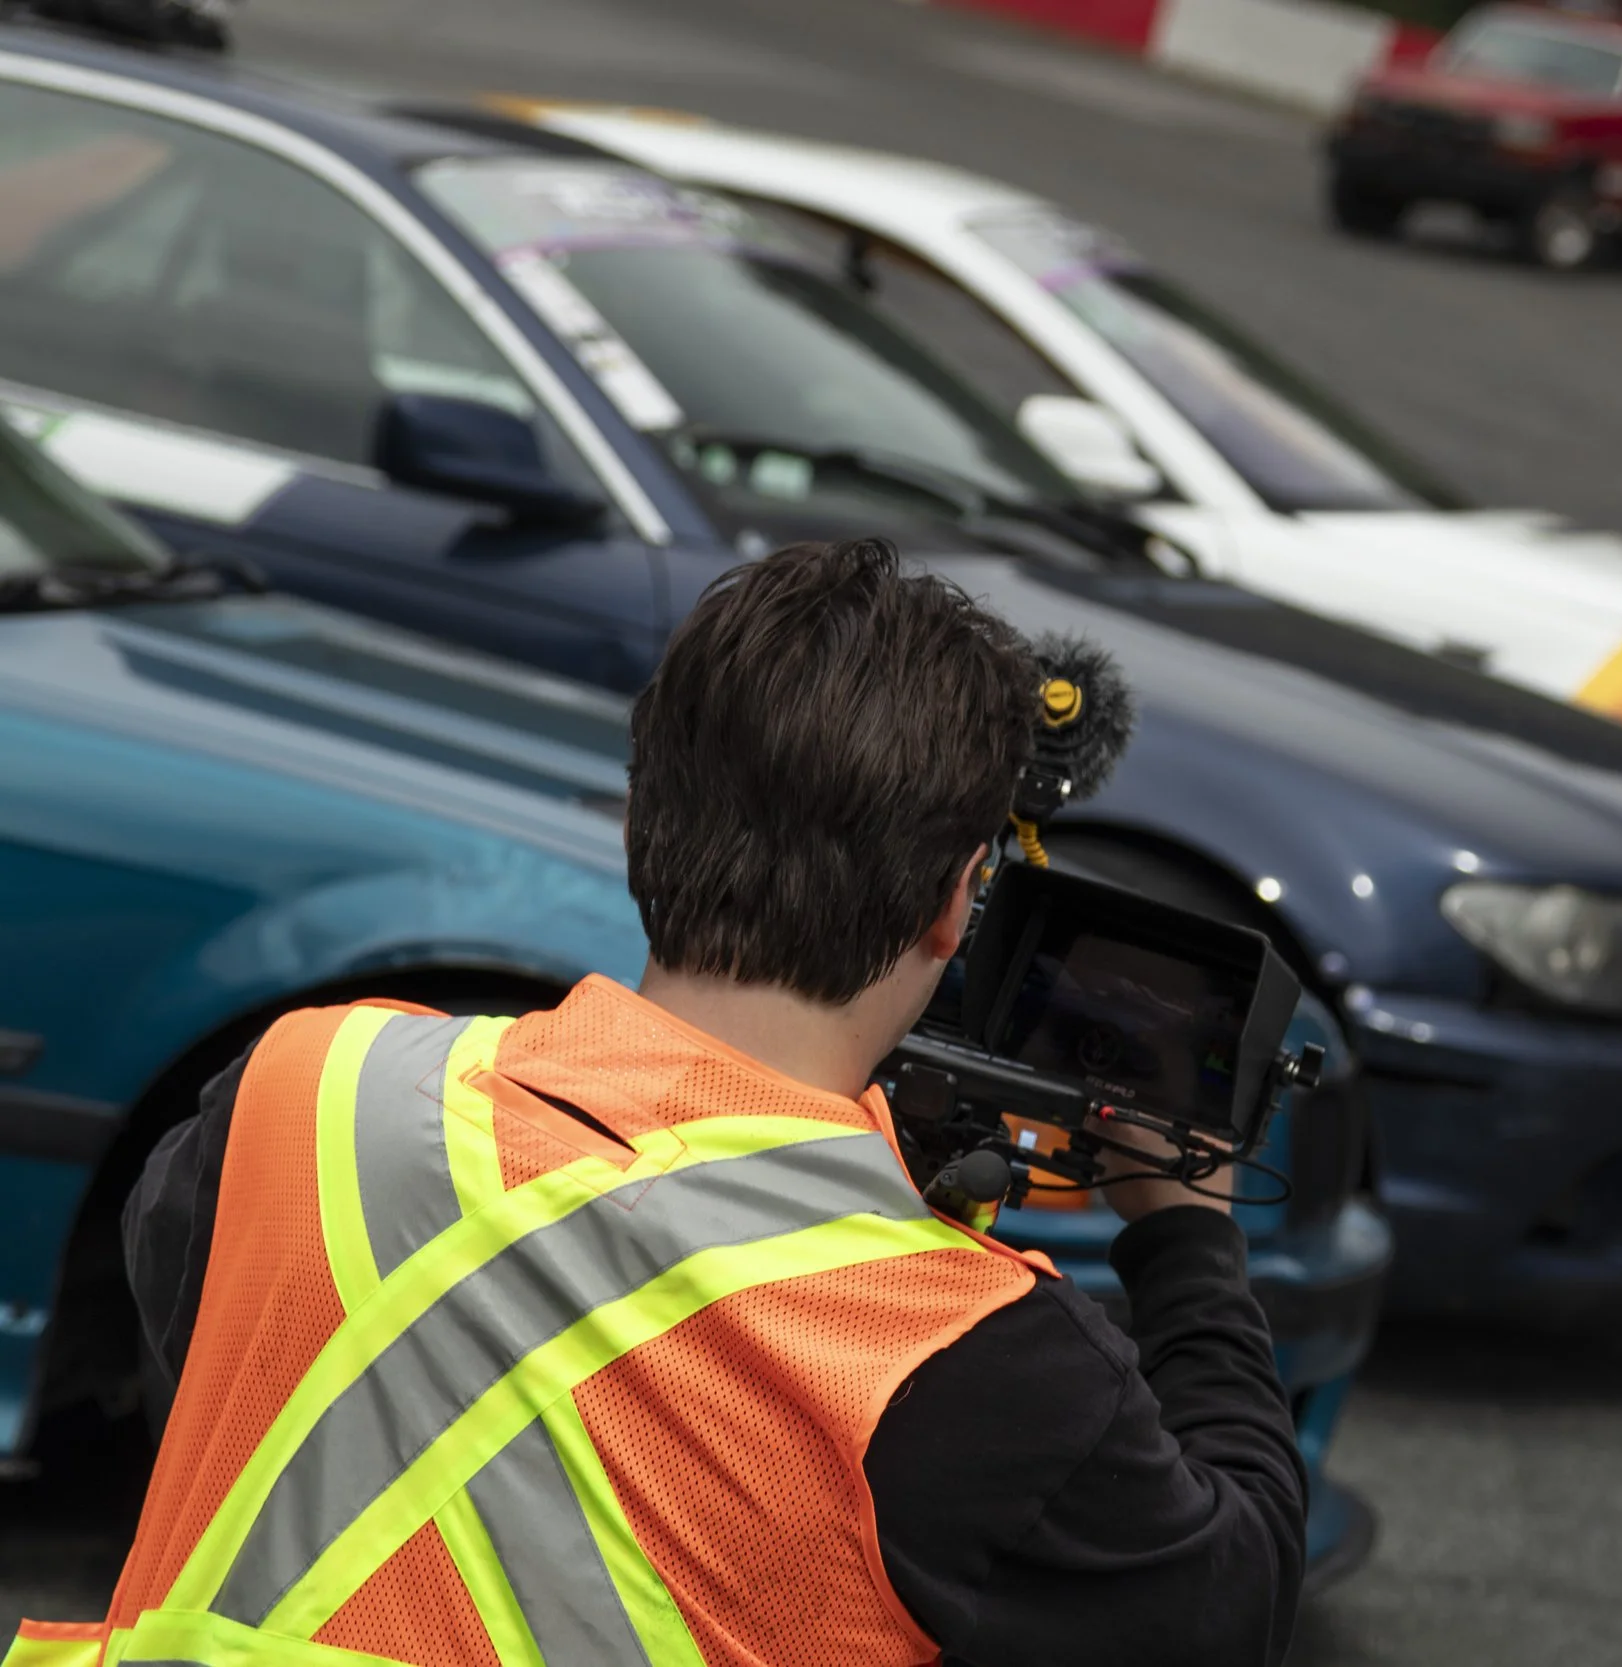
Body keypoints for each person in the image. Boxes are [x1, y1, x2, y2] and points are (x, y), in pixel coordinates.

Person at [8, 541, 1304, 1667]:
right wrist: (1185, 1231)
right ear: (957, 899)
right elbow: (1224, 1603)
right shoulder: (964, 1352)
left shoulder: (309, 1087)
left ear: (642, 817)